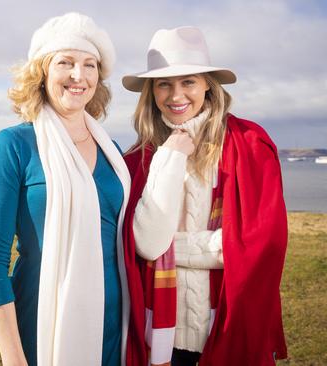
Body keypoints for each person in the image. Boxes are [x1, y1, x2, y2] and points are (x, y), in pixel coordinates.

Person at [121, 27, 288, 366]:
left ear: (209, 86)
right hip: (161, 338)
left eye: (189, 82)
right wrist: (171, 156)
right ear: (151, 92)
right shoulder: (139, 158)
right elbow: (148, 245)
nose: (175, 95)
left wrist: (173, 246)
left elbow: (260, 245)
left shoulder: (250, 145)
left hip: (227, 326)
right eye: (164, 83)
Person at [0, 12, 131, 366]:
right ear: (42, 72)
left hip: (112, 321)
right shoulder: (15, 144)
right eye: (66, 62)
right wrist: (13, 357)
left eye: (90, 65)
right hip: (43, 318)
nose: (79, 76)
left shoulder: (113, 151)